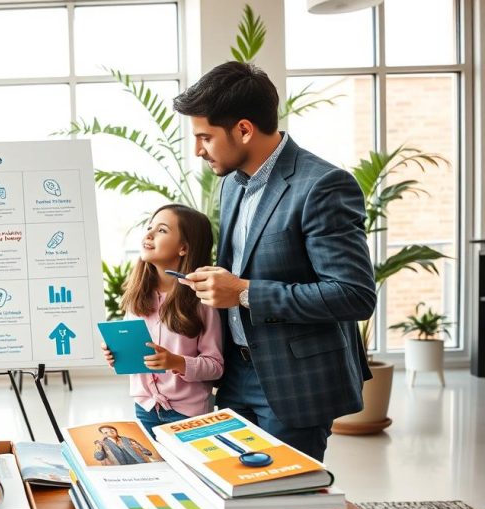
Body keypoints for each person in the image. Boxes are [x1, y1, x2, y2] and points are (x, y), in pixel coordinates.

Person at [171, 61, 376, 462]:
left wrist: (245, 292)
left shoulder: (322, 185)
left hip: (294, 383)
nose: (197, 150)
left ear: (244, 129)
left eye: (205, 137)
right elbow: (242, 271)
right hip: (235, 376)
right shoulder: (230, 184)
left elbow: (354, 295)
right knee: (231, 495)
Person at [101, 204, 224, 437]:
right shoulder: (136, 297)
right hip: (145, 407)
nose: (149, 234)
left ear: (183, 248)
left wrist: (176, 362)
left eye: (162, 230)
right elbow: (137, 358)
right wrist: (116, 354)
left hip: (189, 414)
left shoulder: (202, 301)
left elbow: (215, 367)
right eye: (149, 228)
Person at [92, 425, 157, 465]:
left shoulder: (129, 440)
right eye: (106, 432)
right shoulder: (103, 444)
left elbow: (148, 453)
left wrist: (140, 447)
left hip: (140, 465)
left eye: (112, 429)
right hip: (121, 472)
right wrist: (99, 446)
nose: (111, 431)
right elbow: (99, 457)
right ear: (104, 434)